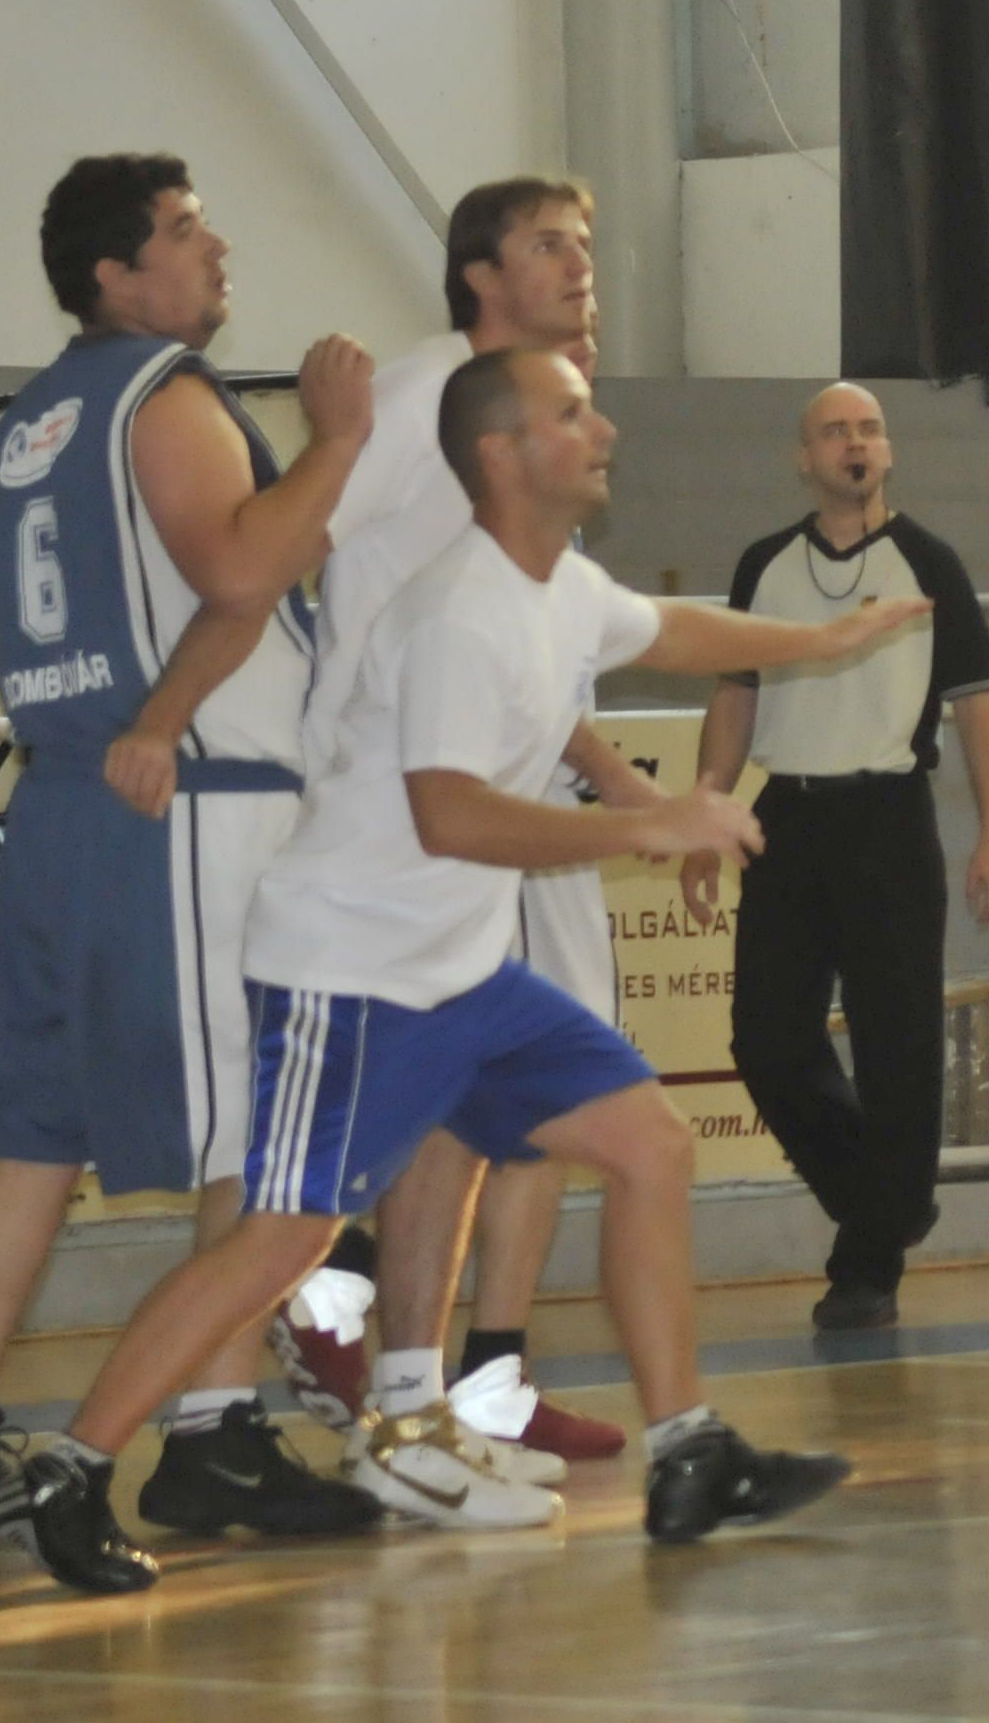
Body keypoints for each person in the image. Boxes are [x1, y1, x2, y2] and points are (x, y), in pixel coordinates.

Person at [0, 345, 920, 1593]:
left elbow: (677, 628)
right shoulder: (454, 614)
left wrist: (826, 636)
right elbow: (452, 817)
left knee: (650, 1145)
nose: (603, 430)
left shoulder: (560, 586)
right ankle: (70, 1468)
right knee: (281, 1240)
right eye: (571, 413)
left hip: (461, 977)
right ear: (501, 453)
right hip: (349, 973)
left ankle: (689, 1450)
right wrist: (649, 823)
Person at [0, 154, 389, 1553]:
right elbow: (240, 570)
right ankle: (213, 1436)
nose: (214, 249)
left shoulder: (23, 424)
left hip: (62, 800)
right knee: (252, 1142)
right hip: (183, 804)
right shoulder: (163, 393)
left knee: (34, 1137)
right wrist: (338, 441)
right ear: (115, 275)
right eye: (183, 231)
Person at [263, 176, 664, 1491]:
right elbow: (285, 548)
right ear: (480, 274)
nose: (580, 265)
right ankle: (343, 1306)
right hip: (410, 806)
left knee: (541, 1098)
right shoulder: (419, 394)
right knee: (445, 1085)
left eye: (585, 244)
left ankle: (482, 1379)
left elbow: (542, 655)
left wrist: (626, 789)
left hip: (523, 799)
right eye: (549, 245)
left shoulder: (546, 424)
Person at [684, 384, 989, 1334]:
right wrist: (707, 809)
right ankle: (887, 1203)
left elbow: (976, 703)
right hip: (788, 818)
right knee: (766, 1039)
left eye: (868, 429)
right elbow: (736, 695)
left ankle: (866, 1265)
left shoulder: (930, 564)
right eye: (834, 431)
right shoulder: (764, 565)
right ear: (805, 458)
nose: (854, 443)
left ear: (888, 451)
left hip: (890, 819)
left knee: (896, 1045)